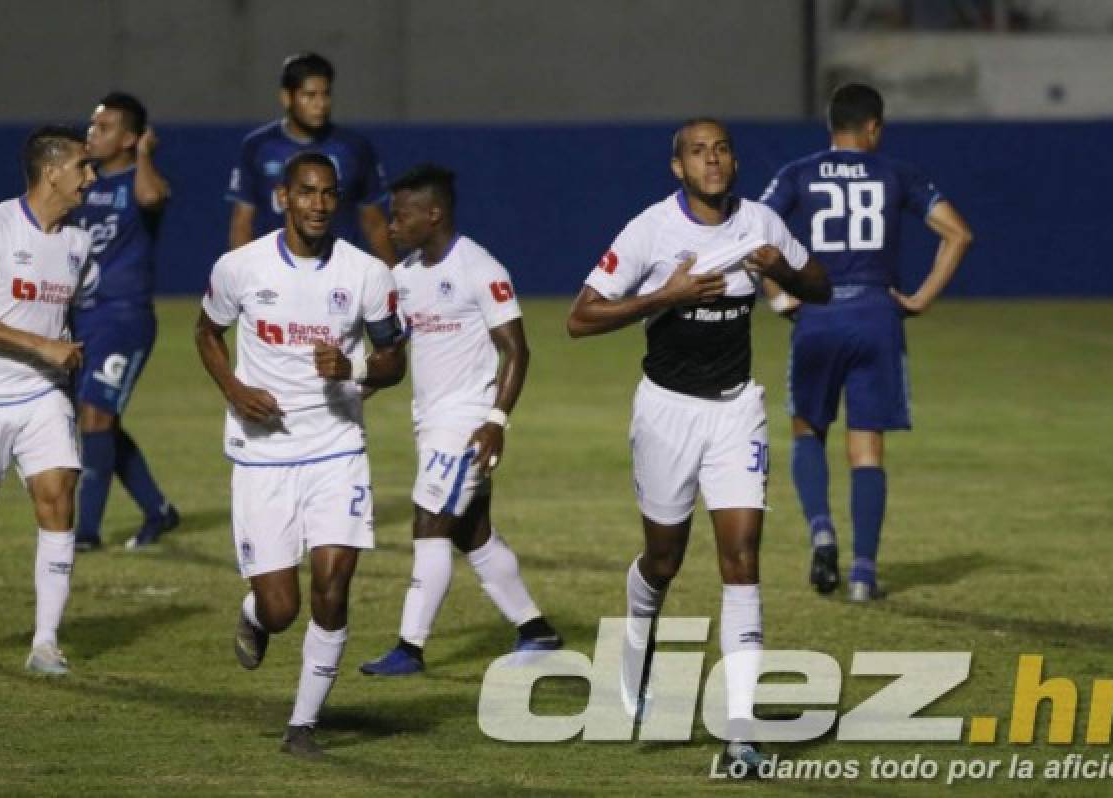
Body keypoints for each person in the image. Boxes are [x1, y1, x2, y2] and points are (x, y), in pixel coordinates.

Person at [566, 119, 830, 772]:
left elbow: (819, 286)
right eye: (697, 152)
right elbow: (579, 317)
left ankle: (742, 732)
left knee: (741, 558)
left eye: (721, 149)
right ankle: (636, 636)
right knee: (664, 560)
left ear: (734, 162)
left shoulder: (762, 222)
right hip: (666, 413)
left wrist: (784, 272)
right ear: (678, 167)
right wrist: (667, 295)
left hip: (737, 412)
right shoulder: (651, 230)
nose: (712, 160)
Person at [196, 152, 405, 757]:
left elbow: (394, 360)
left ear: (337, 200)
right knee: (283, 608)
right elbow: (206, 332)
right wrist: (234, 390)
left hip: (337, 448)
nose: (318, 204)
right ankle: (258, 614)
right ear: (284, 197)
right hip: (262, 454)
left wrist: (358, 364)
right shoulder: (240, 267)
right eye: (306, 192)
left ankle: (303, 726)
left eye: (328, 194)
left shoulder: (367, 273)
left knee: (334, 586)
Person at [759, 83, 973, 601]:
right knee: (867, 448)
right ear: (873, 126)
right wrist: (921, 298)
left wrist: (780, 298)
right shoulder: (897, 173)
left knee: (808, 430)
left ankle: (821, 531)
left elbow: (756, 231)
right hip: (877, 314)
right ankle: (863, 575)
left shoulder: (799, 172)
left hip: (819, 314)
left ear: (832, 125)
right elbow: (958, 234)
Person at [358, 164, 561, 677]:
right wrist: (351, 392)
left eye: (400, 215)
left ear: (434, 214)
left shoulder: (480, 268)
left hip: (468, 425)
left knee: (429, 521)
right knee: (474, 533)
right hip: (431, 424)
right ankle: (536, 630)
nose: (391, 225)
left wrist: (496, 420)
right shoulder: (402, 279)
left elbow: (517, 350)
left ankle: (410, 647)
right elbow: (393, 361)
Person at [0, 126, 95, 674]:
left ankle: (46, 644)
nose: (89, 178)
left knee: (58, 495)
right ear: (52, 171)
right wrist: (40, 344)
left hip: (43, 396)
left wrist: (63, 356)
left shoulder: (78, 243)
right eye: (82, 167)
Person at [70, 92, 179, 551]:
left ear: (131, 137)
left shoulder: (140, 180)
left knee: (96, 416)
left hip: (124, 317)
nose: (93, 133)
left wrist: (145, 155)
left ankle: (85, 534)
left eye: (106, 127)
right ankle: (158, 510)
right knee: (99, 420)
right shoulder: (82, 183)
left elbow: (154, 197)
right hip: (81, 318)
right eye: (93, 125)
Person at [226, 52, 395, 264]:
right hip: (275, 271)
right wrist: (242, 272)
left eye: (326, 94)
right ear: (287, 97)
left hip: (338, 272)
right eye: (310, 95)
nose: (320, 104)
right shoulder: (258, 146)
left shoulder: (354, 147)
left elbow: (375, 222)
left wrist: (393, 276)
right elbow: (242, 222)